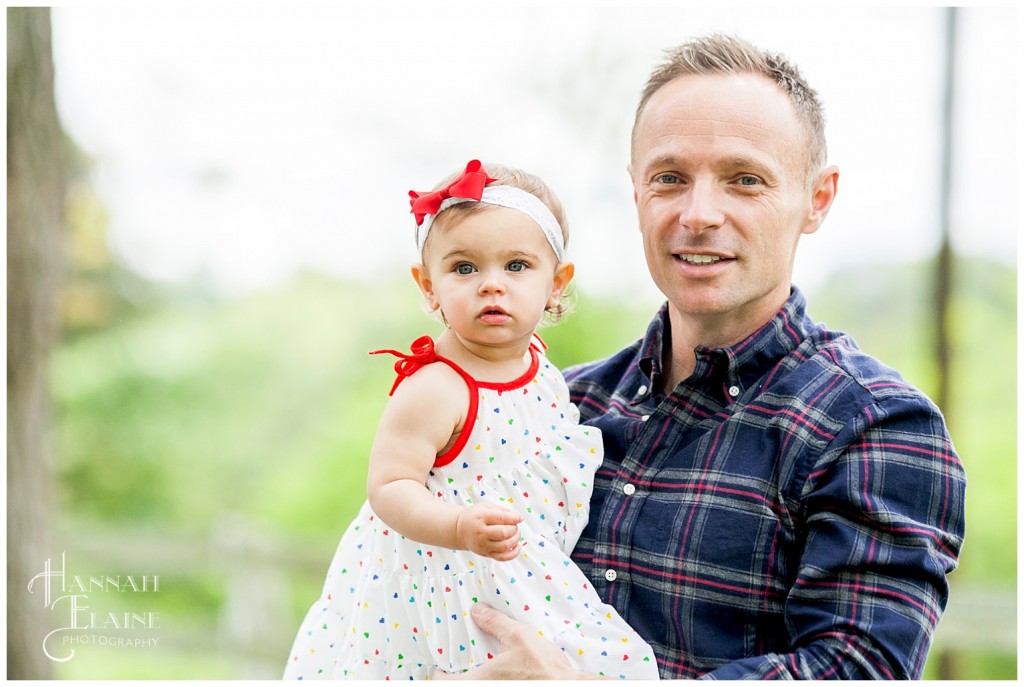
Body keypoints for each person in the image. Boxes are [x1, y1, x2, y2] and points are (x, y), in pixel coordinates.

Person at [438, 34, 967, 680]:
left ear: (817, 198)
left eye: (744, 180)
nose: (699, 213)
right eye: (670, 178)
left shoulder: (875, 427)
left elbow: (855, 670)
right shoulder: (555, 406)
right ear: (636, 192)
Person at [282, 160, 659, 680]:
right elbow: (389, 485)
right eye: (464, 268)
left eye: (517, 266)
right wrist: (457, 525)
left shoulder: (540, 367)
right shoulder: (437, 387)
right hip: (445, 575)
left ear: (556, 284)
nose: (491, 285)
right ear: (428, 286)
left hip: (523, 564)